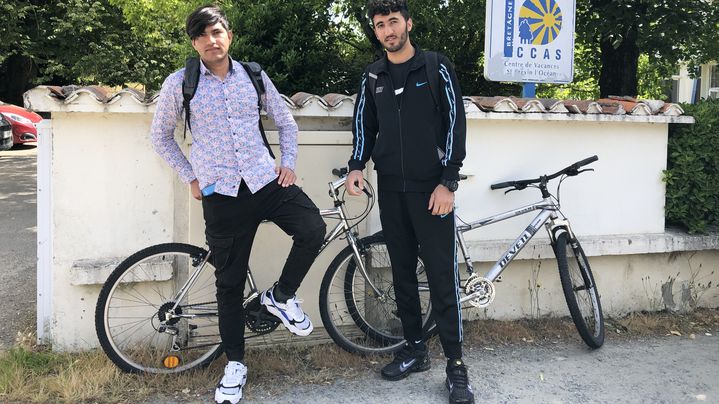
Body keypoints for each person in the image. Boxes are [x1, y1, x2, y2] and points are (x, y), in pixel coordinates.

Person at [150, 5, 326, 404]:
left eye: (217, 32)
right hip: (221, 194)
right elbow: (160, 137)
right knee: (228, 284)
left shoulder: (254, 76)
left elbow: (286, 122)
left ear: (229, 35)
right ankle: (235, 364)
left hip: (266, 181)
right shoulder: (181, 83)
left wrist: (289, 164)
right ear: (194, 42)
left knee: (313, 228)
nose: (211, 40)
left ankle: (281, 296)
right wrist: (191, 176)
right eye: (202, 35)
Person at [346, 1, 473, 403]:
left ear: (408, 24)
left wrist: (448, 181)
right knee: (401, 272)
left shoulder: (435, 66)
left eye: (393, 22)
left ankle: (456, 367)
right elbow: (364, 125)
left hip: (432, 190)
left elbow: (456, 121)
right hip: (391, 188)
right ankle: (415, 350)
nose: (387, 30)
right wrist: (356, 166)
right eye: (380, 25)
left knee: (440, 276)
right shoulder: (373, 75)